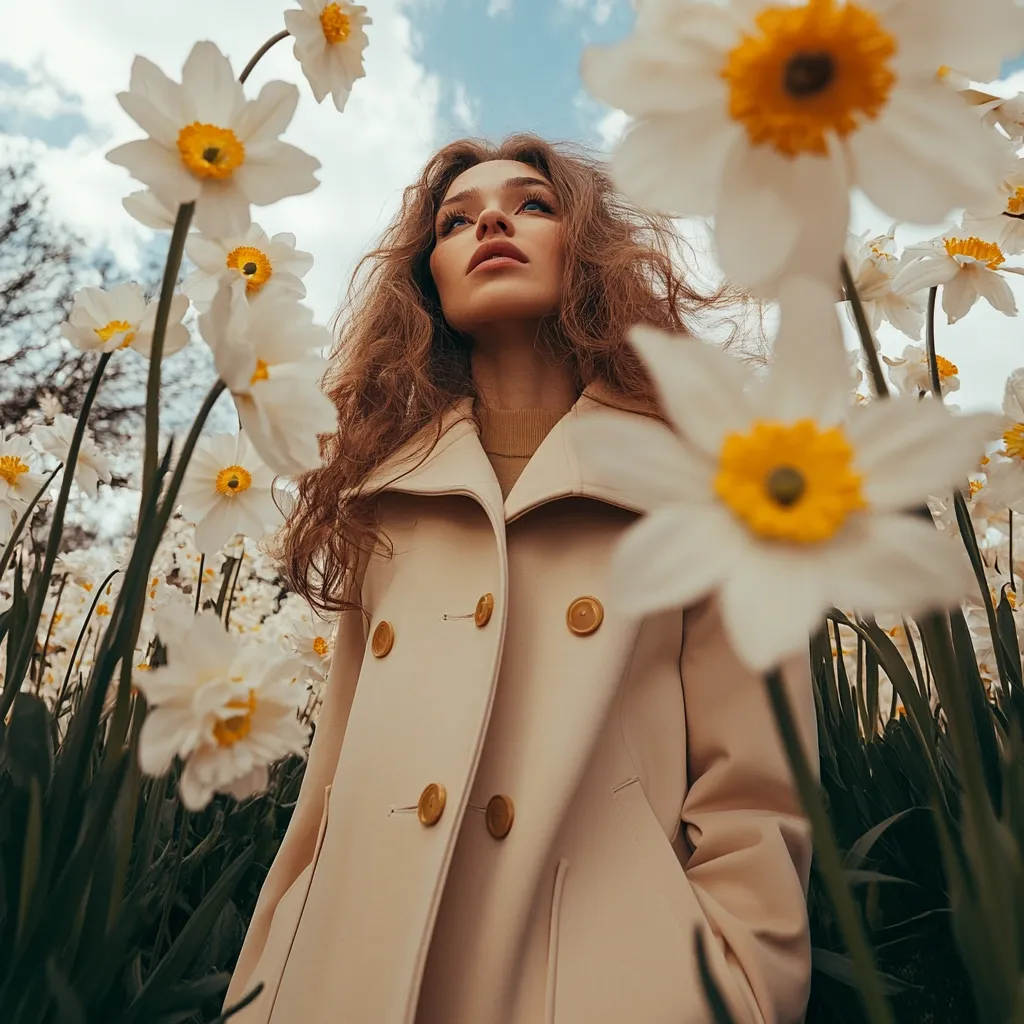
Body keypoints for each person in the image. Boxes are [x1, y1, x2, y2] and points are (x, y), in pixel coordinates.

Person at [223, 132, 819, 1024]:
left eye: (533, 204)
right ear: (429, 280)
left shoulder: (708, 482)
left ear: (589, 248)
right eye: (454, 221)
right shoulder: (379, 499)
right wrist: (266, 980)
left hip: (607, 987)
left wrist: (734, 993)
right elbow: (327, 795)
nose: (492, 219)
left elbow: (756, 793)